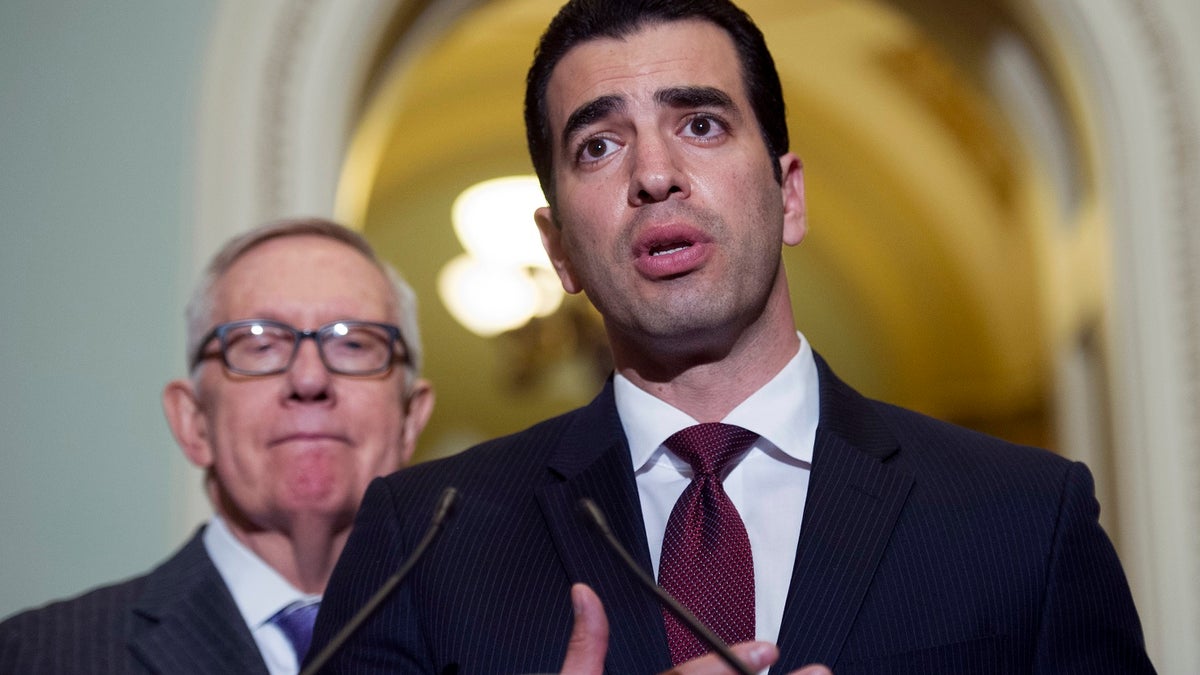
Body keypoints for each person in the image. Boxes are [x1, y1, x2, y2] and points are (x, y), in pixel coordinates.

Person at [310, 0, 1155, 672]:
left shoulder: (1022, 518)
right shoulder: (424, 541)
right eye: (599, 145)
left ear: (789, 195)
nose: (653, 174)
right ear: (559, 248)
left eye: (701, 124)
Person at [0, 218, 434, 675]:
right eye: (260, 344)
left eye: (354, 344)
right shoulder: (35, 656)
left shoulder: (490, 641)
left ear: (411, 419)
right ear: (194, 423)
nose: (310, 379)